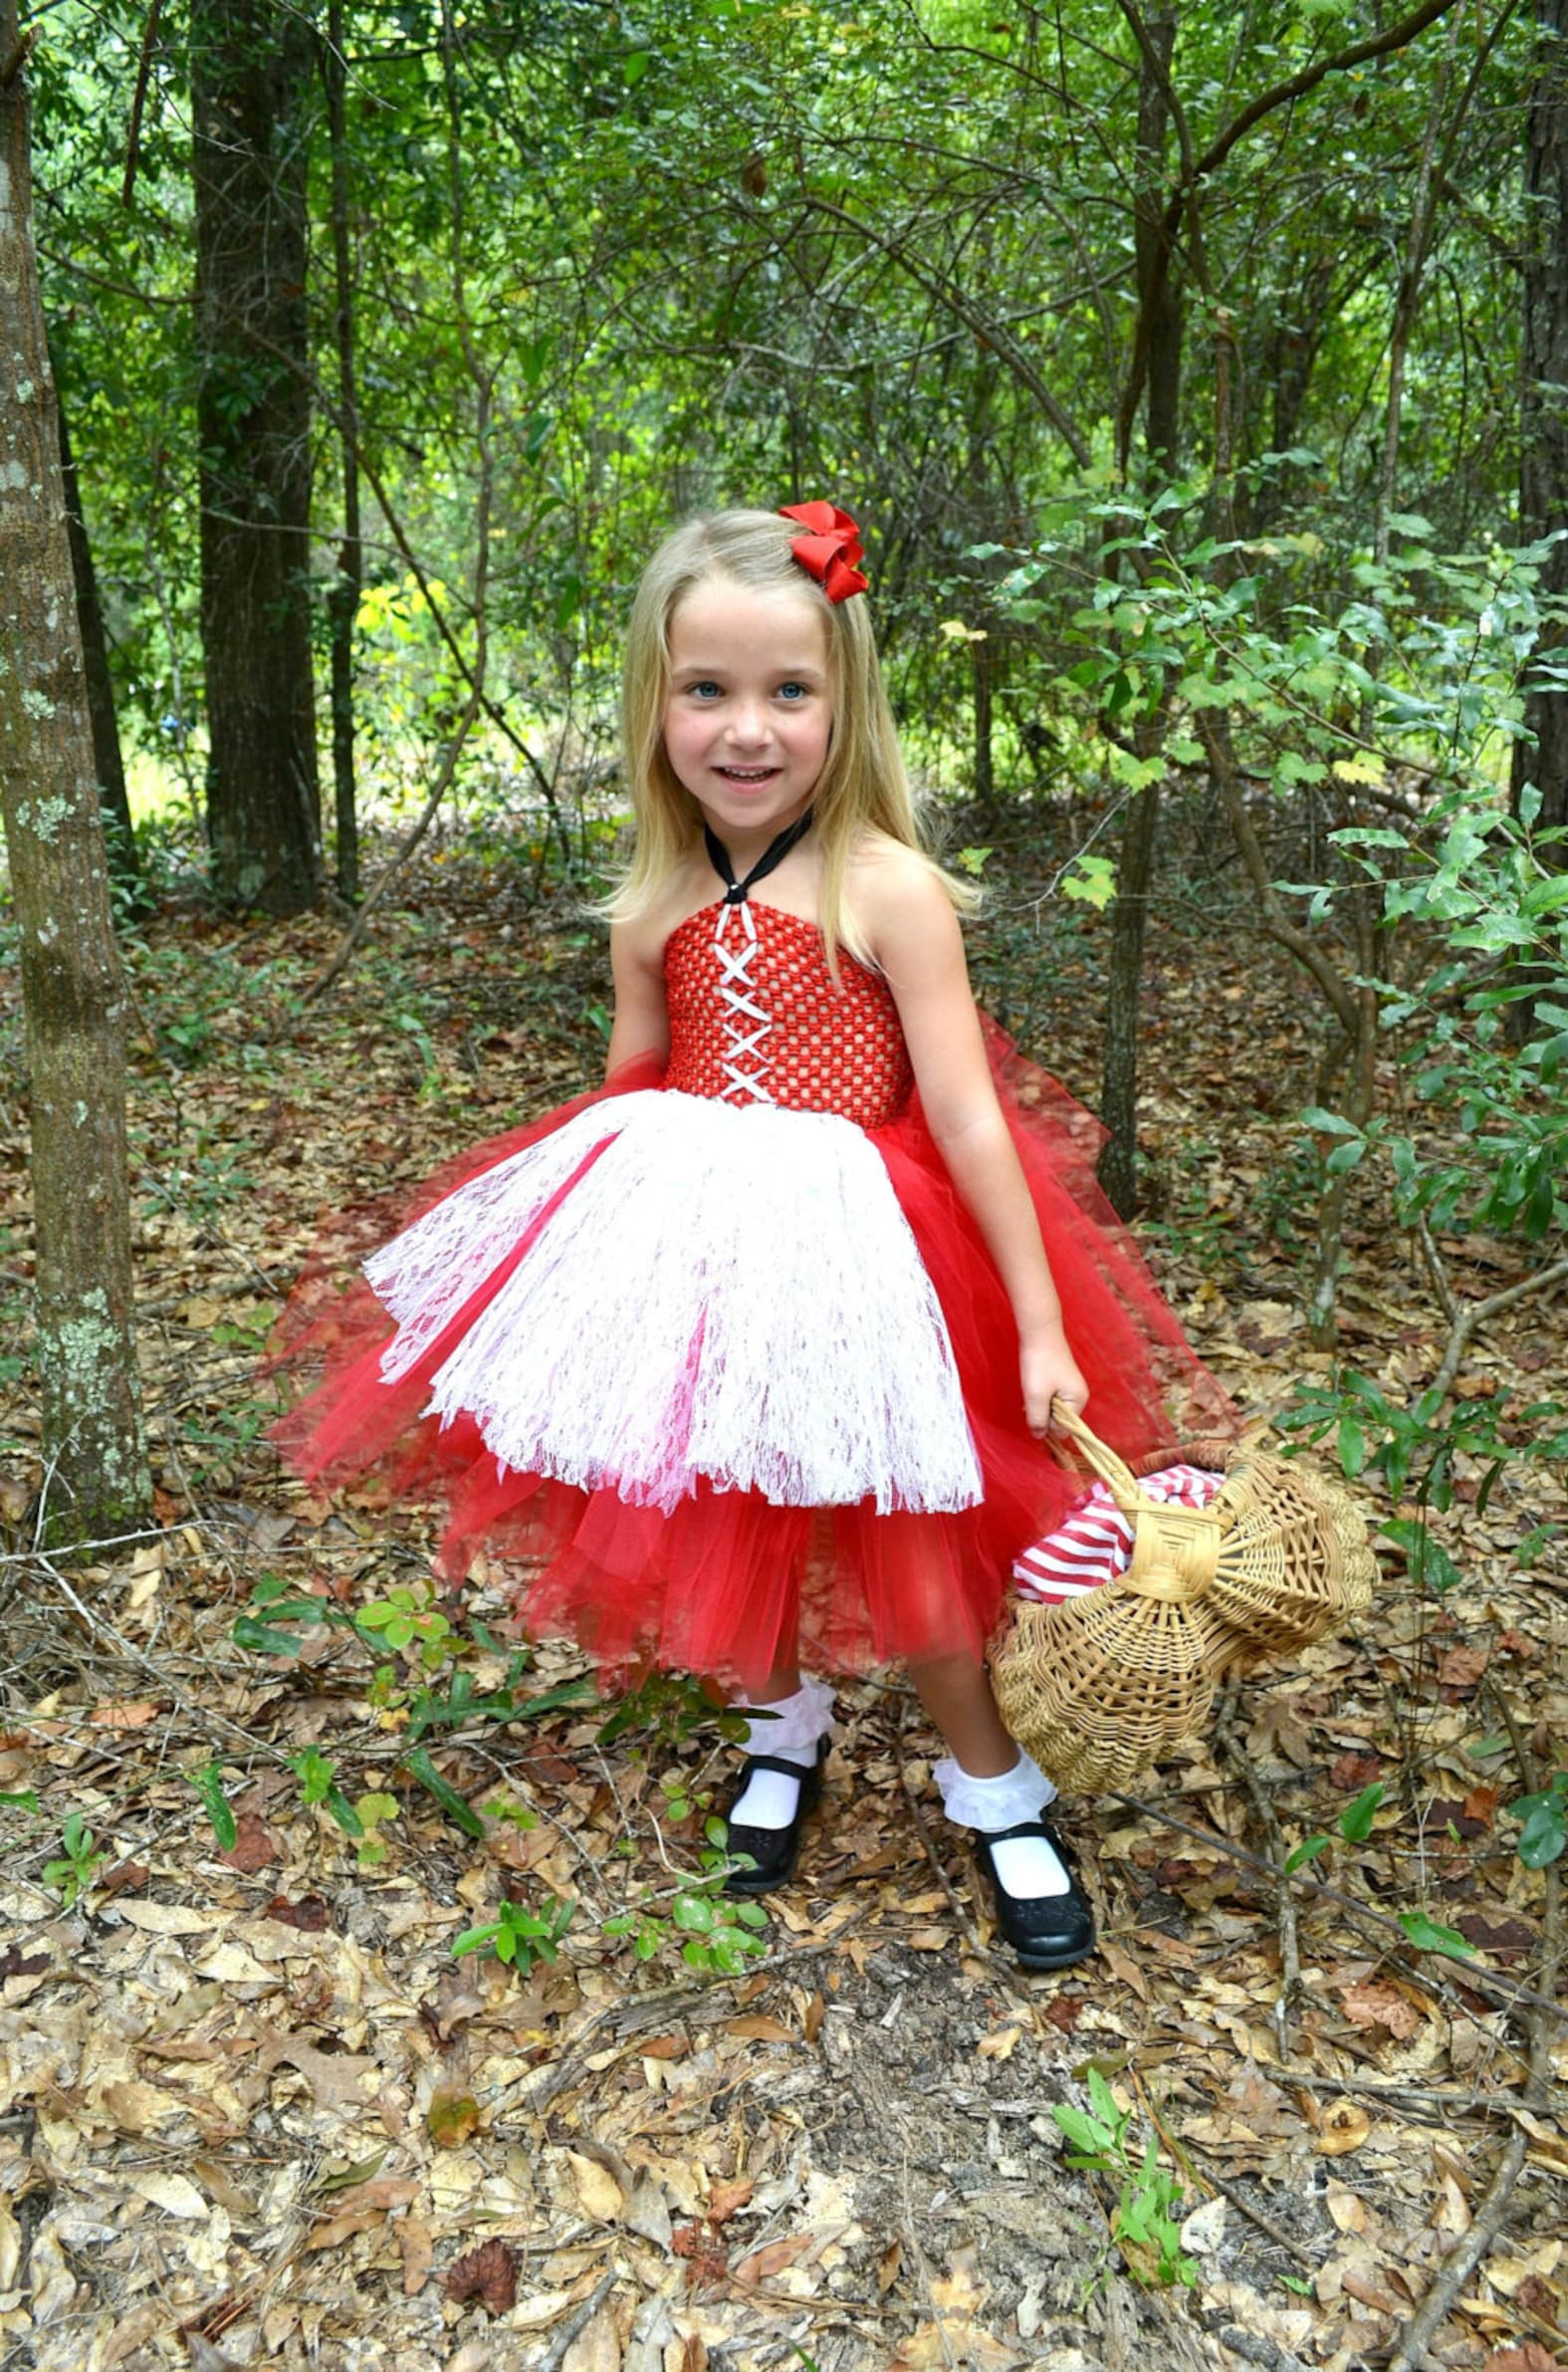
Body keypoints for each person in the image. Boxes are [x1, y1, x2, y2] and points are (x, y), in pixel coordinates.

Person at [274, 501, 1232, 1972]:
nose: (745, 729)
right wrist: (583, 1259)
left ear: (845, 704)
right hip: (700, 1245)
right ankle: (780, 1725)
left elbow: (971, 1118)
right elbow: (632, 1077)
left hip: (870, 1254)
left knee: (915, 1529)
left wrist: (1039, 1322)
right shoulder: (654, 899)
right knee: (726, 1498)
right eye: (706, 690)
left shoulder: (886, 887)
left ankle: (995, 1787)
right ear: (654, 700)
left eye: (788, 691)